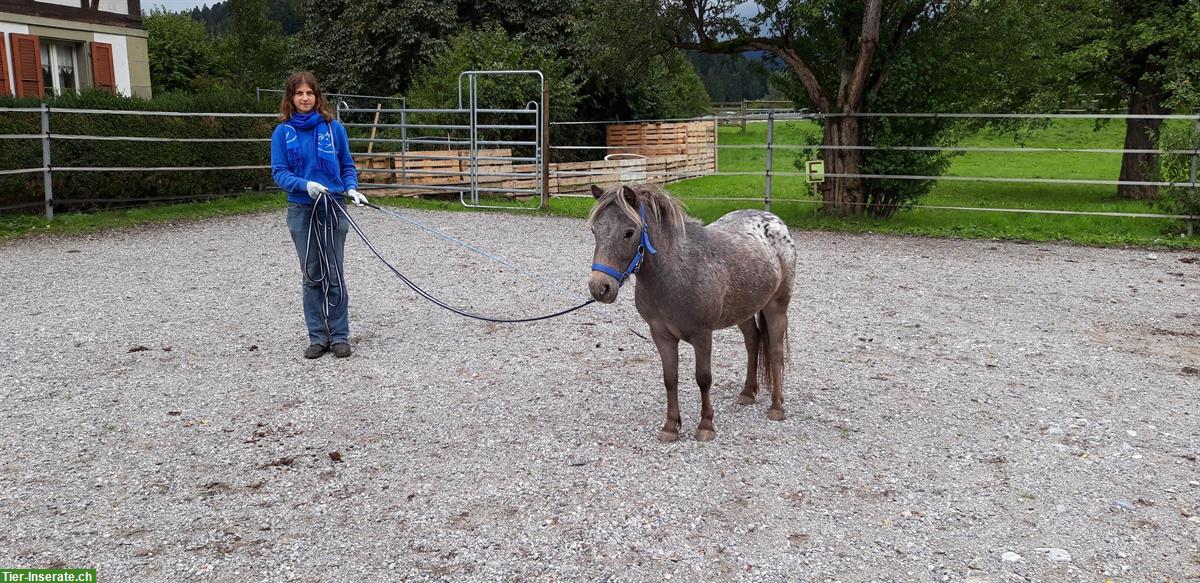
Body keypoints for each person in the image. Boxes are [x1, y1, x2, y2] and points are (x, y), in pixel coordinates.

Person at [270, 71, 368, 359]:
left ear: (317, 97)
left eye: (309, 93)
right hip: (302, 208)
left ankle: (339, 335)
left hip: (334, 205)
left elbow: (347, 165)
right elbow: (280, 172)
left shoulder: (334, 128)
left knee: (334, 272)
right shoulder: (282, 133)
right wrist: (305, 185)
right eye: (298, 93)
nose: (304, 98)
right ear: (291, 98)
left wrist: (350, 188)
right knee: (312, 273)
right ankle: (317, 336)